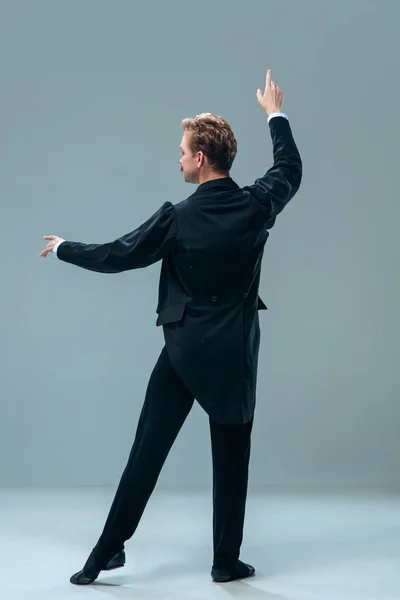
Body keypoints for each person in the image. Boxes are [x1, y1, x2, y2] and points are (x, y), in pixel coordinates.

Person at [40, 69, 302, 585]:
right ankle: (226, 561)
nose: (178, 157)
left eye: (183, 150)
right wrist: (275, 113)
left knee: (146, 455)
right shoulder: (257, 205)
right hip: (234, 355)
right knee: (232, 460)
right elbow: (290, 167)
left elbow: (120, 254)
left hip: (183, 352)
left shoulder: (177, 218)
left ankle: (103, 555)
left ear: (201, 159)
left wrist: (65, 247)